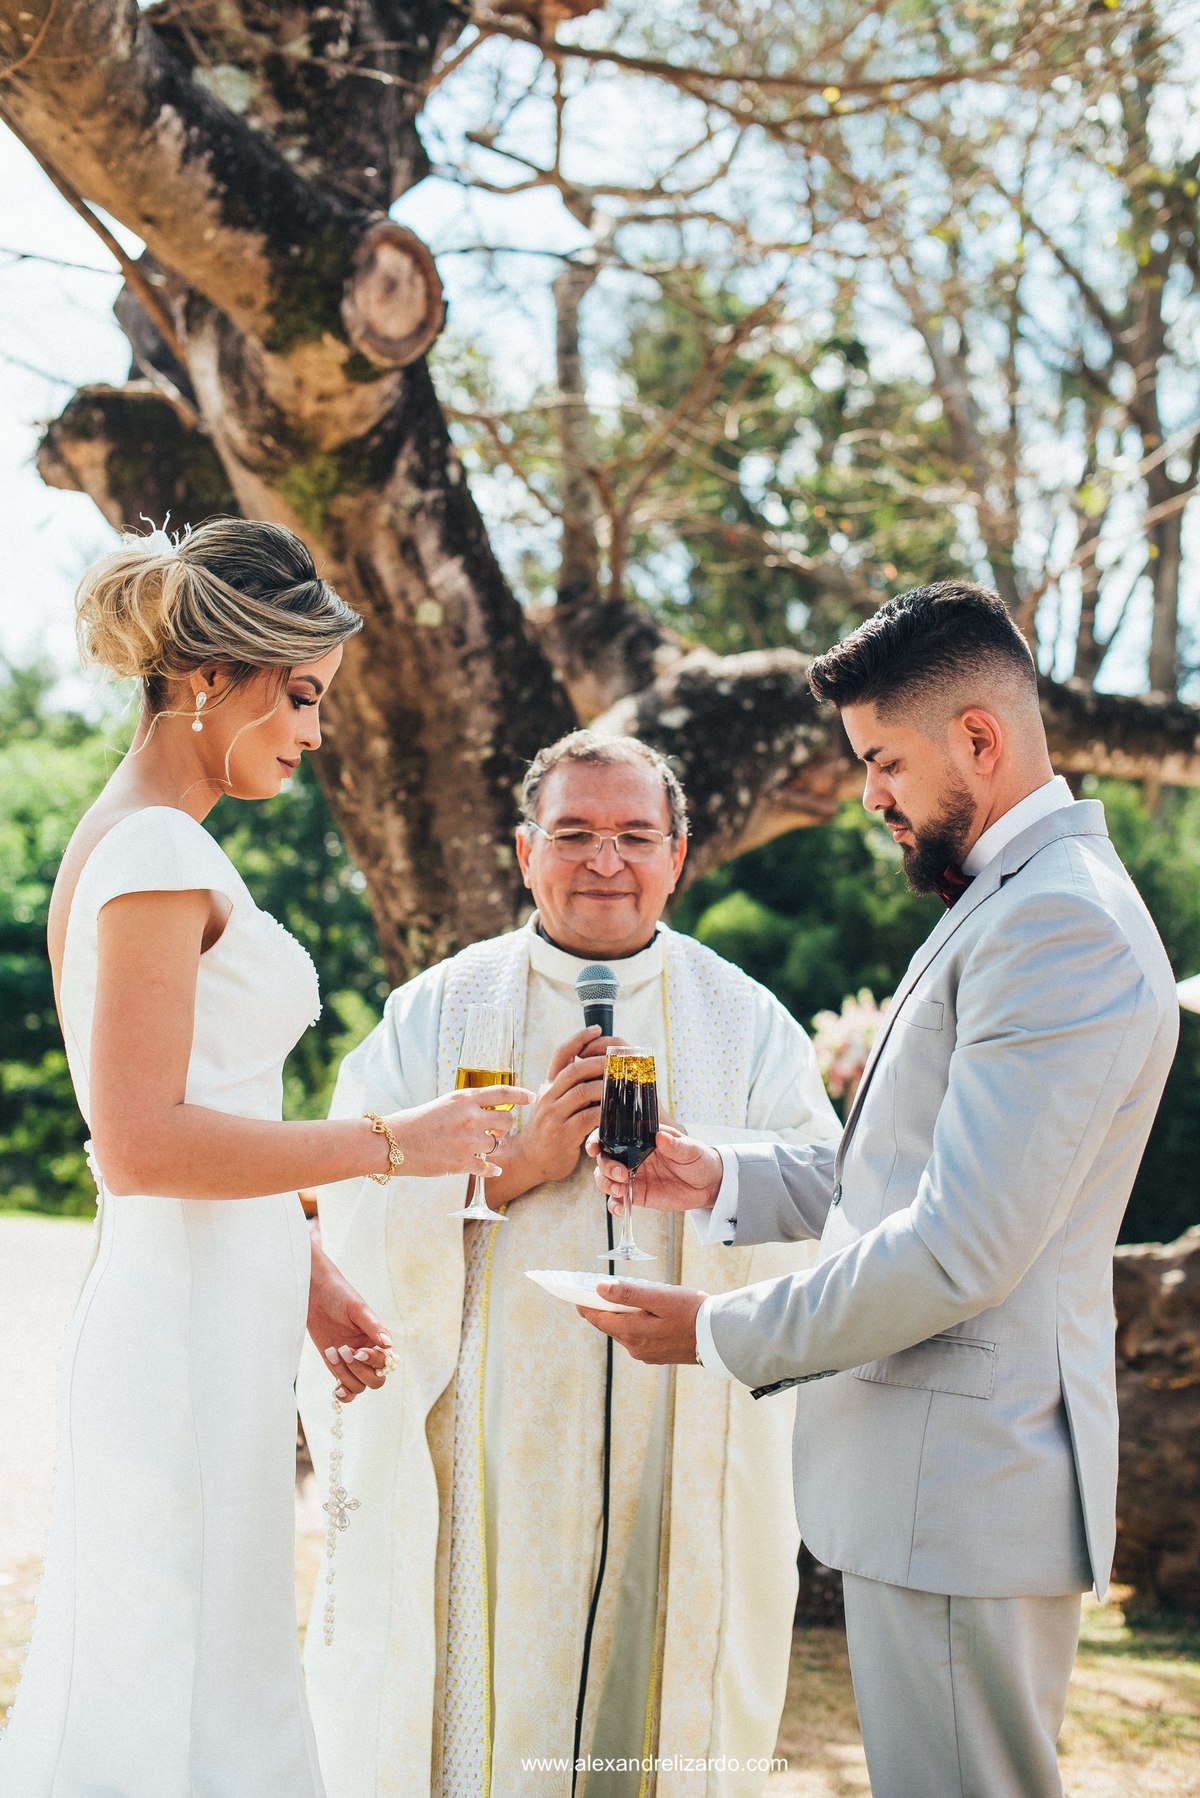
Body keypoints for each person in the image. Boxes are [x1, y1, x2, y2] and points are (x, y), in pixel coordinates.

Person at [585, 581, 1179, 1798]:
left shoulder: (1057, 925)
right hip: (940, 1489)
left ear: (980, 738)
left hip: (966, 1488)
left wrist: (718, 1330)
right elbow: (910, 1173)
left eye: (884, 760)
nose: (868, 795)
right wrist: (723, 1172)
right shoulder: (1016, 900)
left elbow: (960, 1246)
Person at [0, 521, 529, 1798]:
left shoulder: (155, 839)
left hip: (215, 1312)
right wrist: (395, 1145)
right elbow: (139, 1143)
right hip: (177, 1332)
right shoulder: (152, 850)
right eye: (298, 695)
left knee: (214, 1660)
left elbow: (201, 1109)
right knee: (170, 1677)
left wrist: (304, 1265)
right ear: (208, 679)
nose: (314, 730)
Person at [299, 730, 841, 1798]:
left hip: (683, 1431)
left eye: (635, 835)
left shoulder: (744, 1020)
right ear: (523, 850)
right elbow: (344, 1195)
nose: (605, 861)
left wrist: (708, 1167)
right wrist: (511, 1170)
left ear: (677, 855)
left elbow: (833, 1191)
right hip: (487, 1446)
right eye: (575, 833)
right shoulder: (441, 1008)